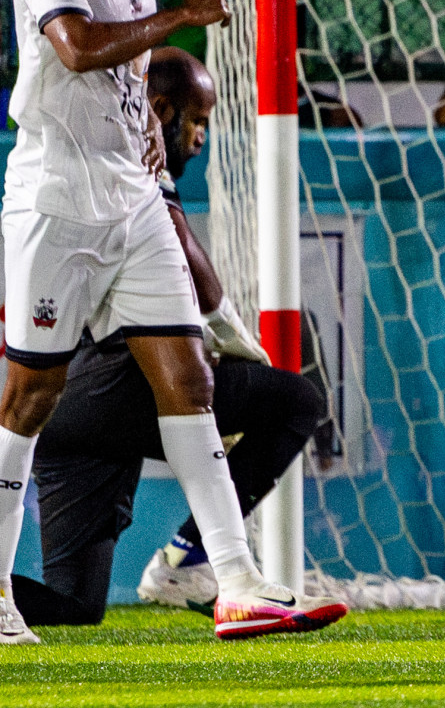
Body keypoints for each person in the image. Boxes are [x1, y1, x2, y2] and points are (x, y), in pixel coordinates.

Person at [0, 0, 344, 643]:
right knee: (28, 396)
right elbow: (76, 49)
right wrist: (179, 15)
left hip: (130, 199)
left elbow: (122, 76)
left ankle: (235, 581)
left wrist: (148, 132)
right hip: (55, 204)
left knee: (188, 379)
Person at [6, 48, 327, 626]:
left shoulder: (87, 158)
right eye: (197, 119)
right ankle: (189, 560)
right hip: (112, 379)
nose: (201, 136)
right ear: (158, 109)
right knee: (297, 400)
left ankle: (188, 563)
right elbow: (184, 258)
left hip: (68, 415)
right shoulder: (134, 158)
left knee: (75, 606)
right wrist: (233, 335)